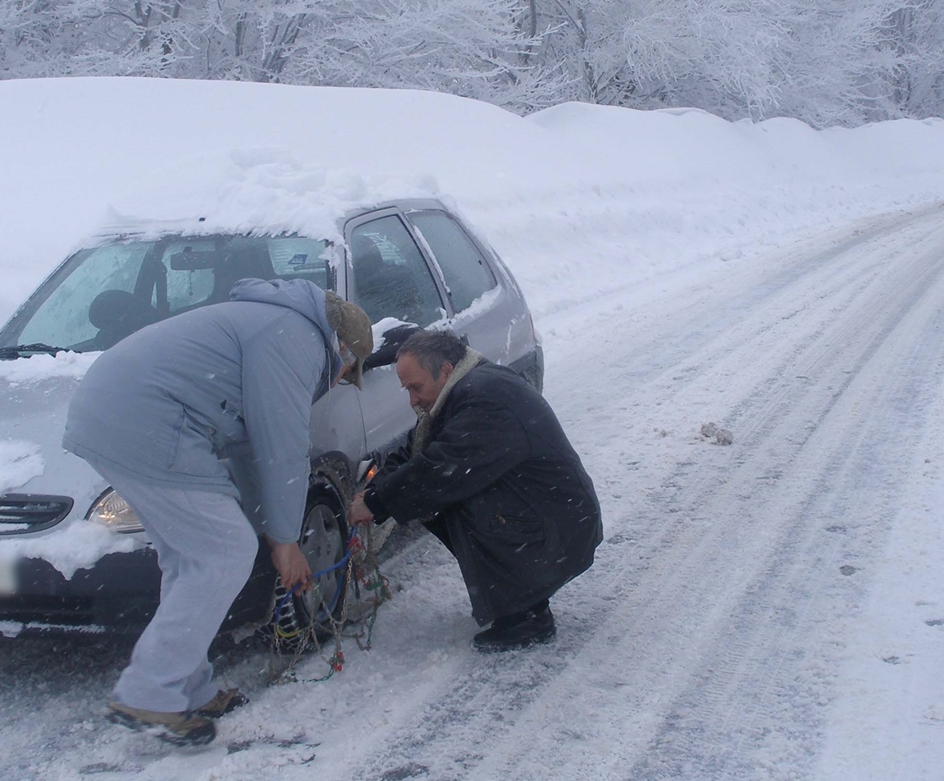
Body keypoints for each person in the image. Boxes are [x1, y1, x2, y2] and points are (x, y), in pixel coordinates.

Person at [64, 277, 372, 745]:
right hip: (148, 418)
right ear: (342, 347)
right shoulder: (296, 337)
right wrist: (285, 543)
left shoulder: (271, 321)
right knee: (224, 551)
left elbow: (250, 450)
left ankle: (185, 688)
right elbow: (282, 446)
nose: (338, 380)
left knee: (191, 558)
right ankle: (150, 691)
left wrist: (276, 534)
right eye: (347, 370)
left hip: (111, 410)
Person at [349, 329, 601, 652]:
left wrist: (376, 502)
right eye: (407, 390)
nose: (412, 400)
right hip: (549, 516)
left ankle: (527, 615)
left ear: (445, 371)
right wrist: (375, 487)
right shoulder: (464, 387)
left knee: (454, 494)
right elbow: (416, 452)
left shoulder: (484, 400)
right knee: (437, 493)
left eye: (415, 387)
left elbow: (441, 469)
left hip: (560, 527)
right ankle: (521, 599)